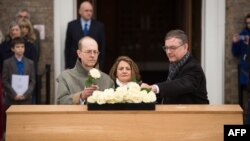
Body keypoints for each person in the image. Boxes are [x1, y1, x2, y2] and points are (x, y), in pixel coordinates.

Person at [141, 29, 209, 104]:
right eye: (166, 48)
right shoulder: (174, 64)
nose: (168, 52)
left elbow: (180, 85)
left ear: (185, 47)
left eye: (173, 48)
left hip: (194, 114)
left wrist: (154, 87)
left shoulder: (194, 67)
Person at [57, 36, 114, 105]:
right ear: (79, 53)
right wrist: (81, 96)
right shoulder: (66, 77)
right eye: (88, 51)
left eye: (95, 52)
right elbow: (60, 102)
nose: (92, 55)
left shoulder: (107, 80)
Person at [65, 1, 105, 70]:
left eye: (90, 11)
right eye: (86, 10)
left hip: (93, 65)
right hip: (74, 65)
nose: (89, 13)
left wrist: (100, 65)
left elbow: (102, 47)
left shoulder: (99, 26)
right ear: (80, 11)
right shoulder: (72, 25)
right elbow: (68, 47)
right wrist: (67, 65)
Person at [231, 13, 250, 109]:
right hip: (246, 71)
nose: (249, 25)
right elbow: (235, 53)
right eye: (248, 23)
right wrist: (234, 43)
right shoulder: (242, 35)